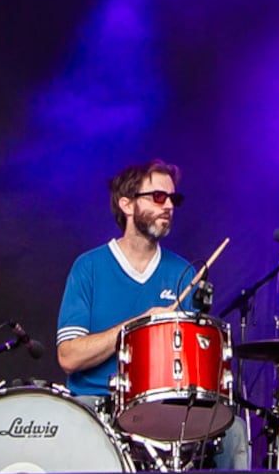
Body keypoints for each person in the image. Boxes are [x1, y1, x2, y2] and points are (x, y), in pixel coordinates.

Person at [56, 158, 194, 404]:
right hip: (94, 403)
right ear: (127, 205)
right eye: (158, 197)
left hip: (159, 406)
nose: (169, 206)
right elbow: (69, 357)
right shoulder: (88, 267)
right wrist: (139, 327)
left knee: (232, 424)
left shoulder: (184, 273)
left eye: (173, 199)